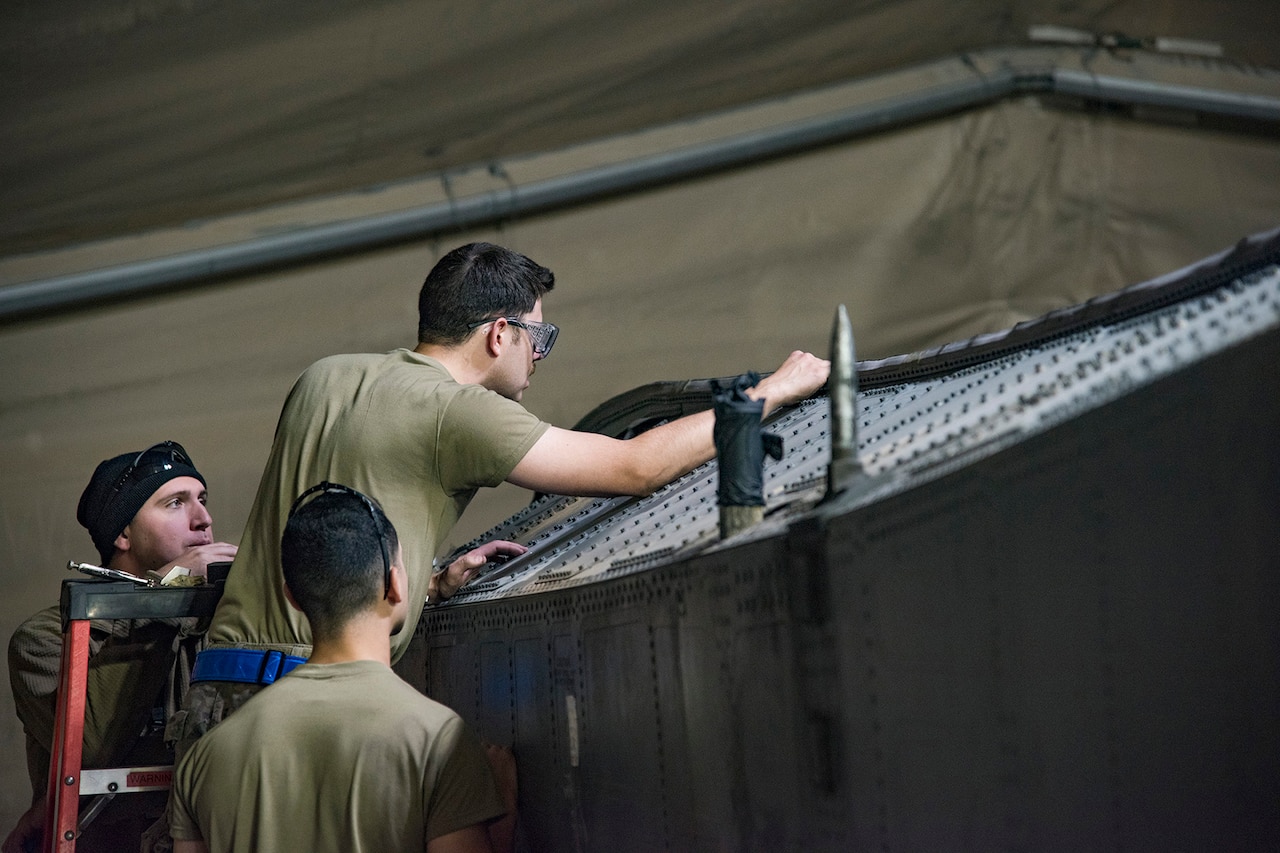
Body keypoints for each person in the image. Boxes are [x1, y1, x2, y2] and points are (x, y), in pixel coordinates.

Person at [171, 240, 828, 749]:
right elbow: (635, 467)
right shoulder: (461, 413)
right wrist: (772, 390)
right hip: (308, 709)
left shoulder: (326, 377)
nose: (539, 357)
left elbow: (330, 518)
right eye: (538, 338)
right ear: (498, 334)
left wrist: (426, 582)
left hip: (214, 700)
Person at [170, 484, 516, 853]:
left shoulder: (206, 756)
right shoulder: (438, 741)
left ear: (294, 598)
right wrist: (504, 802)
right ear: (396, 585)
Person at [3, 442, 238, 853]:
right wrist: (161, 596)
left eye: (202, 499)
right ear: (122, 533)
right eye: (175, 503)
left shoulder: (223, 623)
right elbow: (92, 747)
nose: (204, 519)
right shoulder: (42, 640)